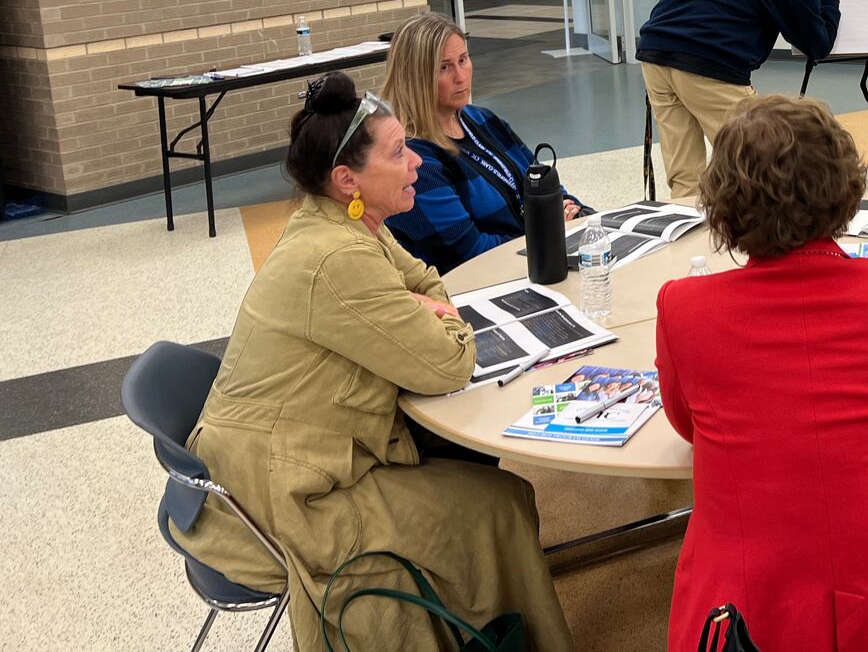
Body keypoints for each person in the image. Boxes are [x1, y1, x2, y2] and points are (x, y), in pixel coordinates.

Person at [175, 72, 574, 652]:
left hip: (281, 454)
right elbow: (447, 364)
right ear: (347, 179)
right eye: (398, 152)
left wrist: (424, 305)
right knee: (501, 505)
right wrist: (437, 314)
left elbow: (427, 281)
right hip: (288, 493)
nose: (416, 161)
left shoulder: (345, 220)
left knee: (466, 470)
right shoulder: (339, 255)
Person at [655, 95, 868, 652]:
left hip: (744, 603)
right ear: (842, 187)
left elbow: (689, 427)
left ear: (723, 204)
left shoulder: (684, 308)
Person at [637, 0, 844, 198]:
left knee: (685, 179)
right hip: (711, 64)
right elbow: (817, 45)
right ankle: (760, 237)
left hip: (655, 53)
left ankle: (689, 238)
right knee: (755, 165)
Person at [382, 12, 588, 273]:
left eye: (463, 59)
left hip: (538, 260)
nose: (461, 76)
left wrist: (578, 216)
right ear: (415, 77)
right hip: (483, 284)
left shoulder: (482, 120)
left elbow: (545, 187)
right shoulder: (414, 161)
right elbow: (470, 253)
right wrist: (549, 230)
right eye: (444, 67)